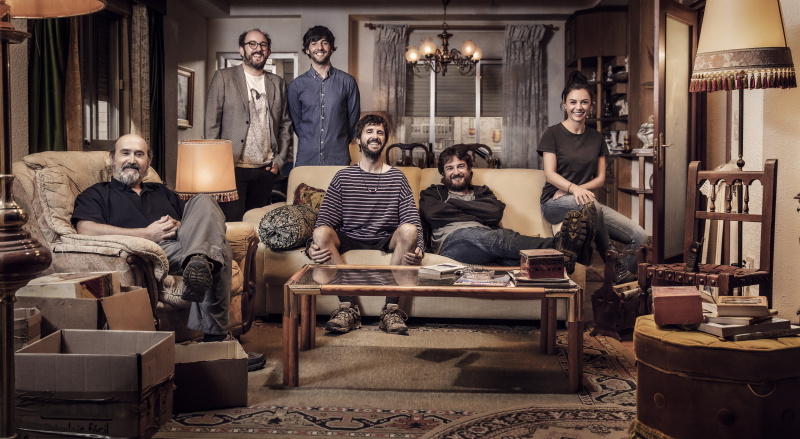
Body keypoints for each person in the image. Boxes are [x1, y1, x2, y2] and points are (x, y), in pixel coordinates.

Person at [72, 134, 266, 371]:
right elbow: (85, 229)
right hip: (147, 254)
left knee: (203, 201)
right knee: (220, 250)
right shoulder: (97, 194)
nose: (132, 160)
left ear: (148, 161)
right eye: (125, 153)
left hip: (184, 247)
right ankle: (216, 340)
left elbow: (201, 221)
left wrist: (179, 225)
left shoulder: (161, 191)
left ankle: (198, 263)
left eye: (139, 154)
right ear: (112, 158)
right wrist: (146, 234)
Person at [307, 114, 423, 335]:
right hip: (349, 237)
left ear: (385, 140)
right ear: (359, 139)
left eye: (380, 132)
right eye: (369, 131)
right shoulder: (343, 177)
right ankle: (348, 308)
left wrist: (420, 249)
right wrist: (311, 247)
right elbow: (324, 220)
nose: (375, 136)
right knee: (321, 232)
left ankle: (391, 310)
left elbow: (412, 219)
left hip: (385, 238)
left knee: (409, 230)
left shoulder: (397, 177)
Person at [537, 71, 649, 284]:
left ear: (591, 105)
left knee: (640, 237)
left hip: (585, 201)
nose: (578, 107)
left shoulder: (597, 138)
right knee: (590, 203)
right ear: (564, 104)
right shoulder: (552, 134)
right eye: (573, 102)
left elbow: (600, 179)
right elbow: (550, 174)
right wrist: (572, 189)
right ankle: (611, 259)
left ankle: (615, 282)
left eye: (584, 102)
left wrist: (576, 190)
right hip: (554, 203)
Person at [420, 145, 596, 269]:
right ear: (443, 173)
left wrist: (454, 205)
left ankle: (565, 259)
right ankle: (559, 245)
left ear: (469, 170)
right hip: (452, 243)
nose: (456, 172)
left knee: (520, 262)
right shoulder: (434, 193)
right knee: (499, 238)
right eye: (450, 168)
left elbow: (495, 213)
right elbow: (432, 213)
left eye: (460, 166)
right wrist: (477, 213)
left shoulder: (482, 192)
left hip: (488, 241)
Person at [205, 28, 292, 222]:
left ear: (268, 51)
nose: (258, 49)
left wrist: (280, 160)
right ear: (241, 50)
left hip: (265, 169)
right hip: (232, 168)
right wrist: (217, 164)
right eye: (252, 44)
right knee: (232, 223)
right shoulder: (223, 77)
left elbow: (285, 124)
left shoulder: (277, 83)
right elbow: (212, 124)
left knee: (258, 225)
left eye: (263, 45)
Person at [288, 25, 360, 166]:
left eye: (324, 42)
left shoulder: (348, 82)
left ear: (331, 48)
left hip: (338, 159)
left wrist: (337, 142)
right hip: (307, 160)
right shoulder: (296, 86)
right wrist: (311, 141)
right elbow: (297, 124)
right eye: (314, 43)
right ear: (307, 50)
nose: (319, 48)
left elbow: (353, 122)